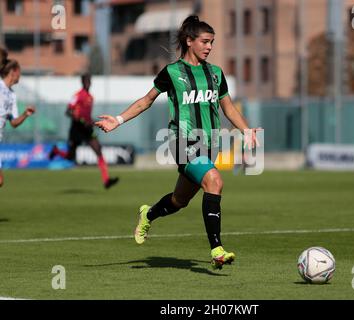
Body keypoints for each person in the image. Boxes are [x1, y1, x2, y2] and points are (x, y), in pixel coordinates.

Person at [95, 15, 260, 270]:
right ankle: (216, 249)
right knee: (215, 181)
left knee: (179, 201)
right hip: (182, 142)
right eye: (205, 41)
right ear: (189, 41)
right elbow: (146, 100)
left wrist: (247, 130)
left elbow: (228, 108)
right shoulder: (172, 72)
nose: (209, 47)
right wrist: (118, 119)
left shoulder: (215, 74)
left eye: (212, 42)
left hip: (209, 145)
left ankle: (148, 214)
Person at [49, 73, 119, 189]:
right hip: (76, 129)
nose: (88, 83)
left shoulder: (90, 98)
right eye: (86, 81)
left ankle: (106, 180)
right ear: (82, 82)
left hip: (87, 129)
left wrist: (91, 122)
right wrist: (81, 120)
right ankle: (56, 151)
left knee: (98, 150)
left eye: (89, 81)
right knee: (70, 157)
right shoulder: (77, 95)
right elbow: (68, 111)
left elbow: (87, 116)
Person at [0, 49, 36, 187]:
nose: (20, 75)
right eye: (19, 71)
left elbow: (14, 123)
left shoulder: (12, 95)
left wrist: (26, 114)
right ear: (13, 71)